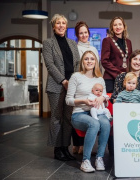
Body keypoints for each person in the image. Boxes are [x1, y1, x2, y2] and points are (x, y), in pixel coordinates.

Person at [42, 14, 80, 161]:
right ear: (53, 26)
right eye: (58, 23)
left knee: (68, 118)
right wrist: (64, 81)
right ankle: (57, 150)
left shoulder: (72, 43)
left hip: (72, 85)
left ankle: (65, 148)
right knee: (57, 117)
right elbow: (50, 65)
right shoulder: (48, 43)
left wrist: (74, 81)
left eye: (64, 23)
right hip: (56, 85)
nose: (61, 25)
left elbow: (77, 64)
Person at [66, 50, 110, 172]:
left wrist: (102, 97)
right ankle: (85, 161)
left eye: (92, 59)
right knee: (94, 123)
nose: (89, 61)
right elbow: (68, 100)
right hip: (79, 114)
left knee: (106, 123)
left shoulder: (100, 79)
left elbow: (105, 98)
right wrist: (84, 101)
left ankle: (99, 158)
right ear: (82, 62)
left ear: (96, 62)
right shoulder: (75, 76)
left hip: (96, 111)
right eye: (86, 59)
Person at [72, 21, 100, 155]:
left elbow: (97, 67)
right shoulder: (76, 48)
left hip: (92, 84)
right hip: (80, 84)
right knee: (79, 111)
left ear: (89, 33)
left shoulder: (93, 49)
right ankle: (77, 144)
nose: (84, 35)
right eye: (81, 33)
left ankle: (84, 145)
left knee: (90, 113)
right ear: (77, 35)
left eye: (85, 32)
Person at [101, 16, 132, 93]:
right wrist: (118, 73)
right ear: (112, 27)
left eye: (120, 24)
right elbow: (104, 61)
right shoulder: (107, 40)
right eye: (115, 25)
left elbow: (130, 60)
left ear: (124, 27)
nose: (118, 27)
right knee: (111, 103)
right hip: (111, 78)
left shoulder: (128, 42)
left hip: (125, 78)